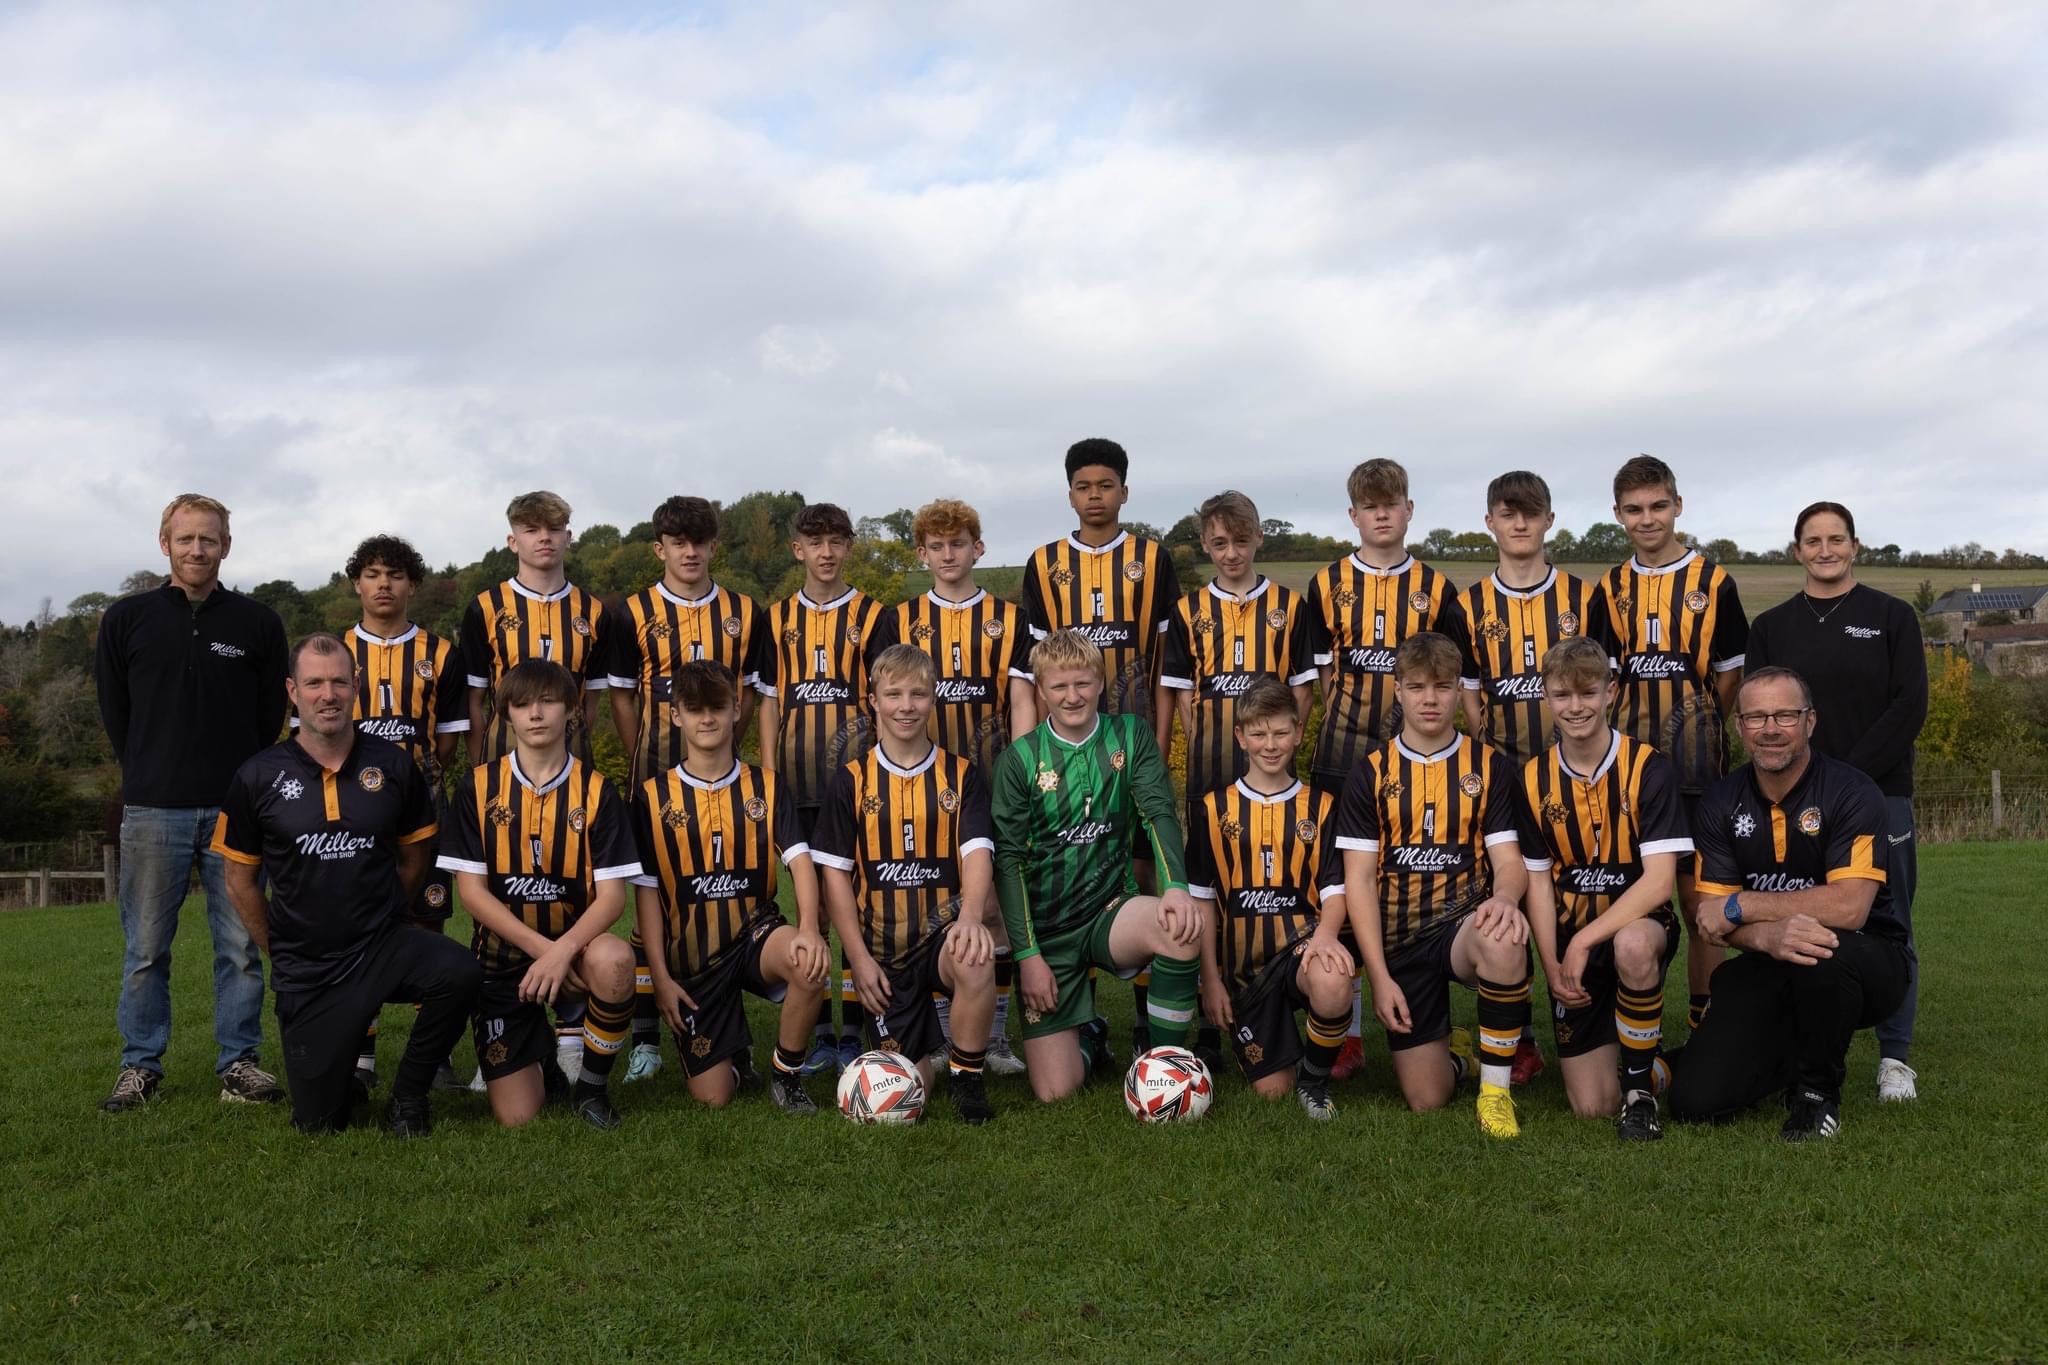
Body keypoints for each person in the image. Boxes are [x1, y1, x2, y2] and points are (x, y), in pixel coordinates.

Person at [210, 634, 483, 1136]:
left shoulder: (395, 764)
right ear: (292, 691)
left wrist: (384, 915)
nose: (327, 694)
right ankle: (340, 1076)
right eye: (314, 682)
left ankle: (409, 1095)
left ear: (356, 685)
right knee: (320, 1121)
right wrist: (280, 948)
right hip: (308, 966)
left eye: (339, 681)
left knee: (460, 971)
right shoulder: (257, 775)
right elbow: (239, 877)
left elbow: (414, 855)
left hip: (381, 946)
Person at [93, 492, 289, 1112]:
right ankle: (140, 1066)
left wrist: (242, 789)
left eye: (209, 539)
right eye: (186, 539)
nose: (197, 549)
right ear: (165, 544)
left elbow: (268, 721)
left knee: (240, 947)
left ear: (225, 546)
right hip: (153, 811)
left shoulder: (257, 623)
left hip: (236, 813)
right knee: (146, 949)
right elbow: (116, 714)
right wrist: (153, 770)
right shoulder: (126, 620)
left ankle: (240, 1065)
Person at [1668, 667, 1910, 1140]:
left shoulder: (1853, 792)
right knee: (1695, 1101)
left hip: (1866, 959)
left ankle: (1817, 1095)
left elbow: (1848, 909)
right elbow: (1711, 919)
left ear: (1810, 722)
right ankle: (1778, 1059)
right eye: (1756, 717)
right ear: (1739, 727)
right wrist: (1764, 935)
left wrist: (1745, 907)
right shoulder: (1720, 801)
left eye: (1785, 715)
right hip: (1771, 957)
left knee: (1819, 946)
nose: (1771, 729)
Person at [1304, 459, 1482, 1079]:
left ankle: (1454, 1018)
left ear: (1410, 510)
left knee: (1441, 884)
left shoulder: (1438, 588)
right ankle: (1346, 1028)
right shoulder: (1326, 583)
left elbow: (1451, 669)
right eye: (1369, 505)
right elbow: (1321, 672)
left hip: (1423, 762)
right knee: (1347, 885)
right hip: (1342, 755)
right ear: (1353, 515)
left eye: (1392, 503)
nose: (1382, 514)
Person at [1746, 502, 1927, 1103]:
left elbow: (1910, 706)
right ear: (1796, 550)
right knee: (1803, 914)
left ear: (1855, 546)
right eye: (1812, 540)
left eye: (1836, 539)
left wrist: (1846, 778)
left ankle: (1895, 1057)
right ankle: (1804, 1044)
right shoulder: (1771, 626)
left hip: (1880, 794)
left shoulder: (1891, 616)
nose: (1825, 550)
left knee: (1887, 919)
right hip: (1792, 802)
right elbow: (1759, 712)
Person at [991, 629, 1205, 1103]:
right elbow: (1009, 863)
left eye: (1083, 684)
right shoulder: (1019, 762)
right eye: (1060, 687)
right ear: (1042, 691)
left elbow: (1157, 811)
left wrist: (1175, 888)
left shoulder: (1129, 734)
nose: (1073, 696)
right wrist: (1028, 959)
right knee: (1055, 1092)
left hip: (1112, 909)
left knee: (1180, 926)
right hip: (1049, 934)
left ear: (1100, 683)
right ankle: (1091, 1036)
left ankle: (1162, 1067)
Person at [1017, 438, 1178, 1055]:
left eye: (1105, 486)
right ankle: (1080, 1017)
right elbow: (1033, 670)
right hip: (1061, 754)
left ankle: (1147, 1020)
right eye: (1084, 487)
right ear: (1070, 494)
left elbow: (1164, 664)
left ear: (1124, 492)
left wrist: (1159, 747)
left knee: (1140, 874)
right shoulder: (1044, 561)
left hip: (1130, 746)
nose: (1095, 496)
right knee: (1067, 875)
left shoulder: (1151, 559)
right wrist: (1034, 752)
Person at [1336, 633, 1529, 1138]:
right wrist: (1378, 976)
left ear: (1457, 690)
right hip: (1400, 942)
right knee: (1427, 1099)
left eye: (1443, 687)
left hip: (1462, 928)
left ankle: (1495, 1093)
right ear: (1397, 690)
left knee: (1504, 936)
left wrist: (1506, 898)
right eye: (1417, 686)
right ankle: (1460, 1055)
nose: (1430, 699)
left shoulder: (1490, 767)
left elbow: (1510, 861)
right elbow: (1357, 880)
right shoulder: (1369, 774)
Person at [605, 495, 771, 1085]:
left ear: (712, 546)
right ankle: (647, 1037)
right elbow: (622, 695)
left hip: (724, 779)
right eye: (679, 542)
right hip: (656, 776)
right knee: (656, 900)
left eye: (700, 541)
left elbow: (748, 695)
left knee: (726, 897)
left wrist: (730, 742)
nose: (691, 552)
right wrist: (641, 755)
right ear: (661, 548)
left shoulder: (746, 612)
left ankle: (733, 1033)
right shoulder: (630, 612)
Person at [438, 660, 643, 1131]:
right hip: (503, 956)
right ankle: (544, 1063)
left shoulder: (597, 791)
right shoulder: (478, 786)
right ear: (505, 713)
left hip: (577, 951)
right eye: (523, 703)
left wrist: (564, 952)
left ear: (572, 710)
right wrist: (544, 955)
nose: (536, 713)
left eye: (548, 701)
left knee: (614, 960)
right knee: (517, 1117)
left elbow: (612, 898)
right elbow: (471, 892)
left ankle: (591, 1089)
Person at [867, 498, 1034, 1075]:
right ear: (922, 554)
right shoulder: (900, 616)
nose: (947, 555)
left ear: (977, 549)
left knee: (992, 906)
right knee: (936, 905)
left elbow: (1019, 700)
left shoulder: (1009, 619)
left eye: (957, 544)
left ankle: (995, 1039)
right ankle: (941, 1038)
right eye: (935, 546)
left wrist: (1022, 774)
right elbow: (889, 698)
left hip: (989, 780)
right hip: (923, 786)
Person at [1157, 489, 1316, 1067]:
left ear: (1258, 539)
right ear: (1205, 545)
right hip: (1207, 774)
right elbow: (1174, 689)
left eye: (1240, 541)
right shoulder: (1187, 611)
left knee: (1270, 884)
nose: (1230, 553)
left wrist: (1284, 736)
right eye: (1219, 543)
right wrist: (1169, 747)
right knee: (1211, 893)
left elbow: (1301, 684)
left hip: (1269, 773)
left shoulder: (1289, 606)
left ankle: (1279, 999)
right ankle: (1207, 1013)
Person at [457, 489, 612, 1079]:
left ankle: (572, 1033)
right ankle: (502, 1029)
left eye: (555, 528)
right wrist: (482, 765)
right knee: (498, 887)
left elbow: (592, 701)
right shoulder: (486, 606)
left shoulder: (595, 611)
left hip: (570, 770)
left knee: (574, 882)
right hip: (503, 773)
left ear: (570, 536)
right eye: (531, 528)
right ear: (512, 539)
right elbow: (474, 699)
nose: (544, 537)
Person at [630, 660, 830, 1114]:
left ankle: (787, 1074)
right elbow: (645, 893)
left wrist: (809, 929)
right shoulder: (650, 796)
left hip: (755, 936)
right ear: (676, 714)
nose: (707, 719)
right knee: (714, 1098)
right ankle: (736, 1055)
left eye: (718, 707)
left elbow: (799, 862)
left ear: (737, 709)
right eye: (695, 709)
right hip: (693, 960)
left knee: (808, 962)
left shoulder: (768, 786)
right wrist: (660, 979)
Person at [812, 645, 1000, 1124]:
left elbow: (977, 852)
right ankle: (935, 1055)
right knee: (908, 1085)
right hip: (881, 955)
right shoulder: (850, 782)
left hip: (941, 937)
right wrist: (857, 960)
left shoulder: (961, 774)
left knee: (975, 953)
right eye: (893, 694)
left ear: (933, 699)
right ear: (873, 700)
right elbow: (835, 876)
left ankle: (968, 1077)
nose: (906, 705)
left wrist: (973, 917)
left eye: (918, 694)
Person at [1458, 469, 1603, 1086]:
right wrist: (1492, 749)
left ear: (1549, 520)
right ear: (1489, 522)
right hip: (1503, 778)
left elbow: (1597, 684)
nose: (1519, 524)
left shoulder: (1582, 596)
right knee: (1505, 900)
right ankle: (1515, 1040)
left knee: (1569, 895)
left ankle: (1579, 1018)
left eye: (1531, 513)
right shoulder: (1467, 603)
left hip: (1569, 777)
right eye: (1506, 513)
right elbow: (1468, 692)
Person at [1594, 455, 1747, 1036]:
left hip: (1699, 773)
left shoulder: (1714, 582)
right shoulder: (1609, 588)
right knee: (1631, 900)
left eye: (1658, 506)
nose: (1648, 518)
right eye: (1634, 509)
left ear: (1678, 505)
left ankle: (1708, 1025)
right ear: (1618, 515)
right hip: (1630, 777)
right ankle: (1633, 1030)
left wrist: (1699, 727)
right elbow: (1605, 680)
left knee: (1700, 900)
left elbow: (1729, 677)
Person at [1519, 637, 1693, 1140]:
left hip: (1635, 927)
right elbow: (1536, 882)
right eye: (1562, 695)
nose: (1576, 707)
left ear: (1610, 692)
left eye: (1588, 693)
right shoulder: (1531, 779)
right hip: (1571, 941)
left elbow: (1660, 883)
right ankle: (1661, 1064)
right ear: (1546, 698)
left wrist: (1582, 940)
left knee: (1633, 944)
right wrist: (1552, 962)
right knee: (1592, 1105)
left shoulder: (1649, 768)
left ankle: (1639, 1095)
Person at [332, 534, 471, 1094]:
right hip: (349, 814)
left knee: (427, 923)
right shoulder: (335, 649)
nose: (383, 584)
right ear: (357, 584)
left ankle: (431, 1055)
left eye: (394, 574)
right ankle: (360, 1058)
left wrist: (410, 783)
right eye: (371, 573)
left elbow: (447, 744)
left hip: (422, 812)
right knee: (355, 925)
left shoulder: (441, 653)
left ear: (412, 583)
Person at [756, 502, 887, 1075]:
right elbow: (765, 699)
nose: (827, 553)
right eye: (816, 543)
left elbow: (889, 698)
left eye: (837, 541)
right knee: (815, 911)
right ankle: (817, 1032)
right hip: (796, 785)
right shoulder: (776, 616)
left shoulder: (873, 613)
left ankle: (852, 1032)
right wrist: (767, 775)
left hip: (856, 786)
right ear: (798, 550)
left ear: (849, 547)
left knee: (856, 905)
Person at [1188, 677, 1353, 1119]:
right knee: (1271, 1091)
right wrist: (1211, 980)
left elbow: (1337, 893)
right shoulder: (1212, 809)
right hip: (1245, 974)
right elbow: (1202, 902)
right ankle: (1287, 1052)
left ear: (1299, 732)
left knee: (1333, 980)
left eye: (1281, 732)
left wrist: (1327, 939)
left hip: (1302, 948)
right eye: (1259, 733)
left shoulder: (1321, 806)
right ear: (1241, 736)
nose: (1271, 744)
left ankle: (1315, 1081)